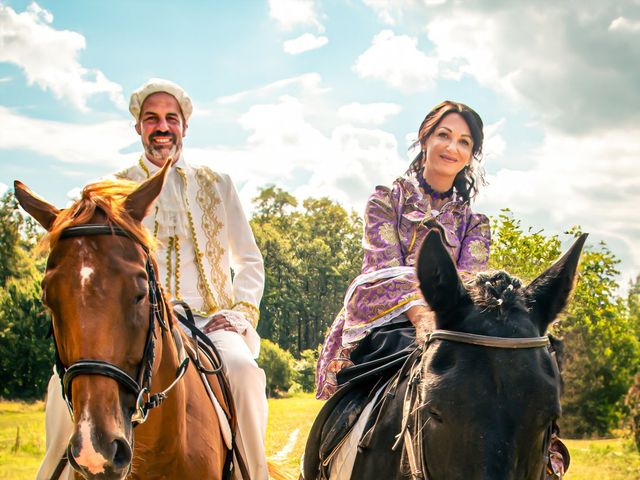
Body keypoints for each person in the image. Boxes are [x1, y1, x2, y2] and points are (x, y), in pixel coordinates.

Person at [36, 78, 269, 480]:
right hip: (136, 321)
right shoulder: (110, 189)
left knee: (244, 372)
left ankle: (255, 472)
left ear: (184, 126)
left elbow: (249, 260)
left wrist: (240, 314)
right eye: (151, 119)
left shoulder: (218, 183)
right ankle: (52, 473)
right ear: (138, 127)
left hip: (208, 319)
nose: (162, 127)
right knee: (63, 386)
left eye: (170, 119)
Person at [316, 100, 490, 400]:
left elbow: (466, 284)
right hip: (385, 321)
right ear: (425, 139)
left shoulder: (475, 225)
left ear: (470, 157)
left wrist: (443, 321)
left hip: (448, 326)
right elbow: (383, 270)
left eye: (464, 142)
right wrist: (422, 317)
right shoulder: (385, 201)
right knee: (352, 406)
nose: (452, 147)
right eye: (444, 135)